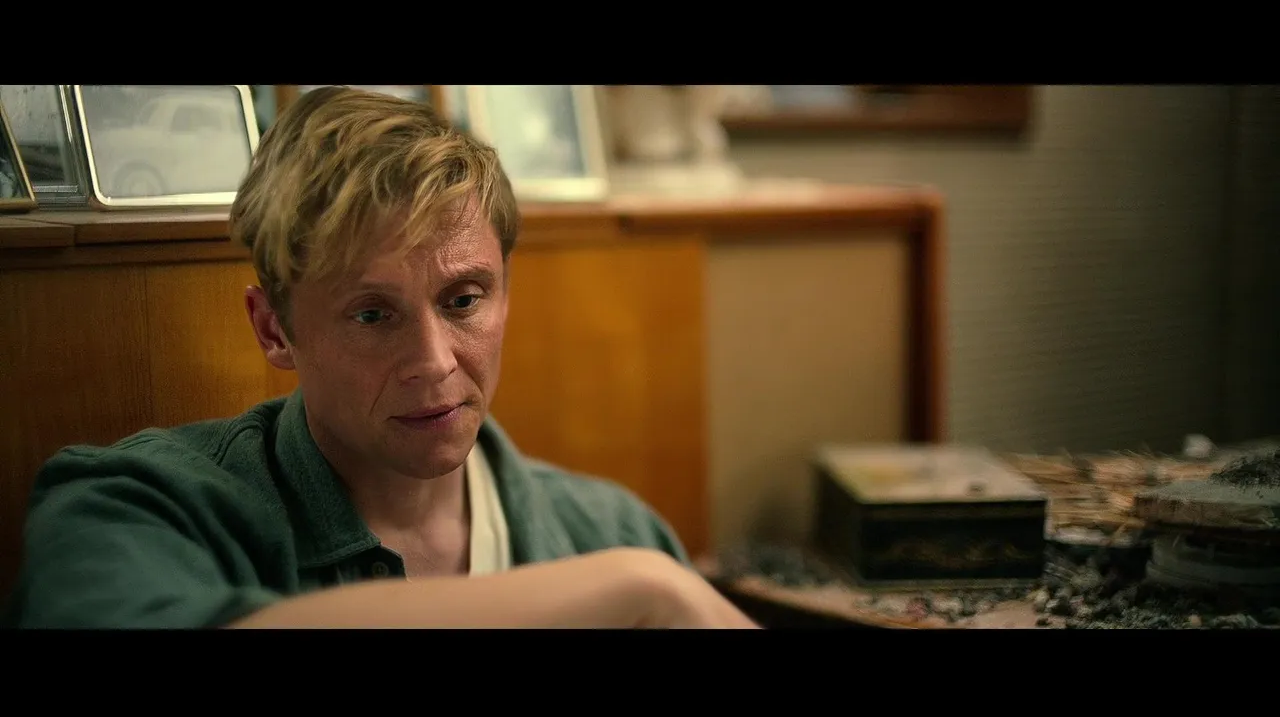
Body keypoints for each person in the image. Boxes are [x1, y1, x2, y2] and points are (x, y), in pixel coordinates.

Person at [5, 86, 758, 629]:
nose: (433, 362)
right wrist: (636, 591)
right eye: (372, 314)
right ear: (274, 329)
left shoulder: (610, 531)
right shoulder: (138, 505)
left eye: (463, 299)